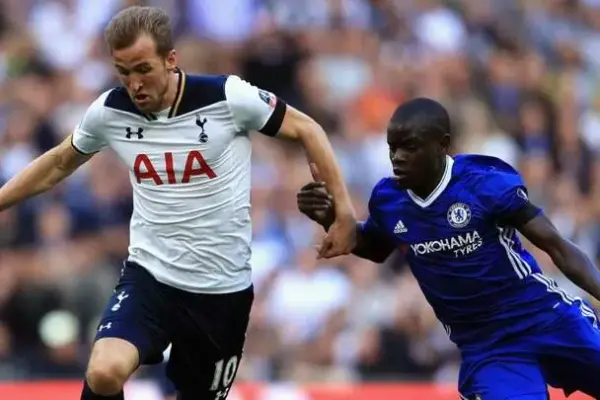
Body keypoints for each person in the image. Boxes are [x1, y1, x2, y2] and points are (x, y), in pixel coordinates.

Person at [0, 6, 357, 400]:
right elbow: (58, 163)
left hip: (221, 291)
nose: (134, 84)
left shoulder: (226, 97)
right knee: (103, 371)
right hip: (150, 278)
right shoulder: (110, 111)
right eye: (123, 72)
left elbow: (308, 129)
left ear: (171, 60)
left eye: (143, 69)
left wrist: (344, 216)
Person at [296, 97, 600, 399]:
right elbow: (376, 248)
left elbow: (558, 247)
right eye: (392, 148)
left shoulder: (484, 183)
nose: (397, 158)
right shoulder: (389, 200)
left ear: (442, 145)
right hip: (489, 347)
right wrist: (330, 218)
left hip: (545, 317)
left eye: (409, 147)